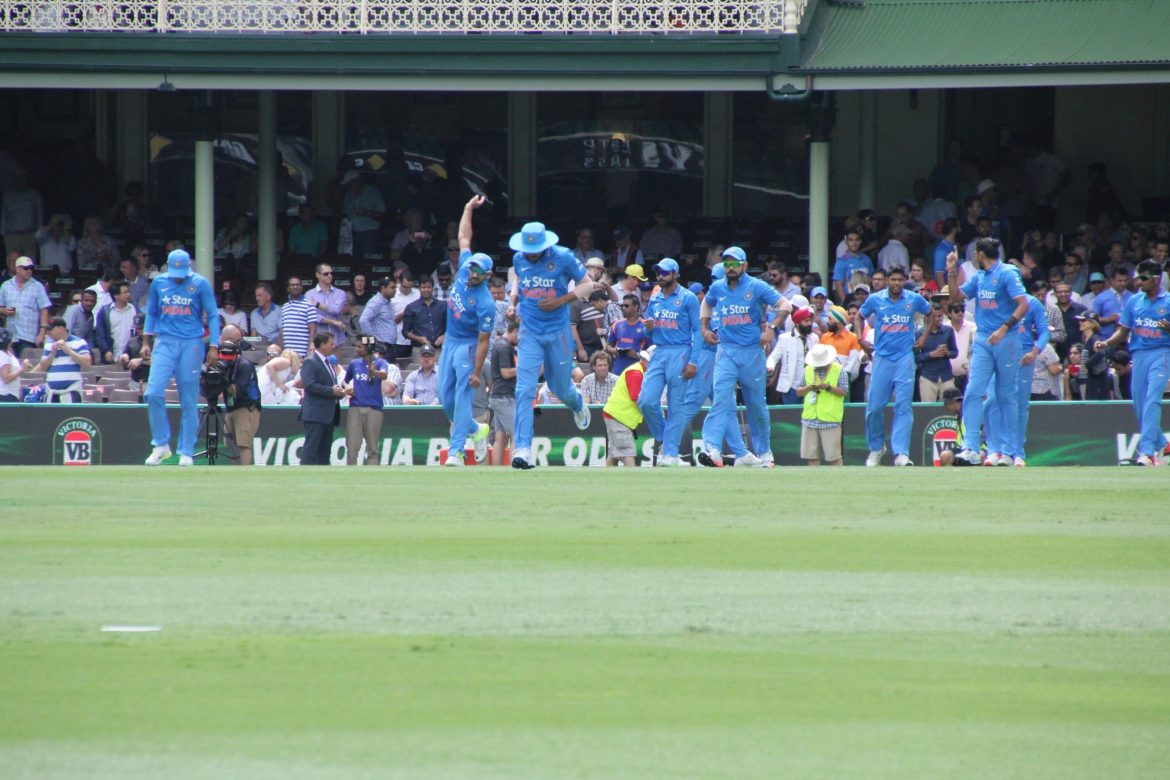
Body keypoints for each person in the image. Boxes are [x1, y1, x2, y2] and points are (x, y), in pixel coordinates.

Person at [506, 221, 595, 469]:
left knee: (560, 387)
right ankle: (523, 449)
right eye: (527, 250)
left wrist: (560, 301)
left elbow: (588, 284)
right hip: (529, 331)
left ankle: (576, 402)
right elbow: (518, 280)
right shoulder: (519, 259)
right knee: (524, 389)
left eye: (534, 251)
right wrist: (513, 303)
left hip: (558, 332)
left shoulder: (563, 257)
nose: (530, 255)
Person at [945, 239, 1029, 466]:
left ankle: (1009, 452)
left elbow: (1023, 304)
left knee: (1005, 395)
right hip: (983, 339)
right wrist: (951, 271)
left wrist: (1004, 328)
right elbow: (955, 298)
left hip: (1006, 339)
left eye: (975, 253)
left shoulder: (1007, 273)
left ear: (979, 253)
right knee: (973, 391)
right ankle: (971, 448)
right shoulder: (980, 277)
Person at [698, 246, 784, 468]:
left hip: (752, 352)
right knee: (721, 399)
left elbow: (785, 305)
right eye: (727, 263)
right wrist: (704, 329)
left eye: (735, 263)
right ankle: (713, 449)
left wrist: (771, 328)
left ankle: (764, 453)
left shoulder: (756, 286)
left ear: (744, 265)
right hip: (726, 350)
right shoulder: (717, 287)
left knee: (756, 405)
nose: (730, 267)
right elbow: (707, 303)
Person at [142, 249, 221, 467]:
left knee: (188, 400)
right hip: (164, 341)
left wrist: (214, 345)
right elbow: (151, 312)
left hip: (191, 343)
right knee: (153, 392)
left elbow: (213, 315)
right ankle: (161, 444)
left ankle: (186, 451)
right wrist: (146, 341)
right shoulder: (158, 283)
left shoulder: (200, 283)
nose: (178, 277)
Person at [438, 195, 497, 467]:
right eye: (472, 269)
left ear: (487, 275)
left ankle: (457, 452)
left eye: (479, 272)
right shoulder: (464, 269)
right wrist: (467, 207)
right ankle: (475, 429)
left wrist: (476, 371)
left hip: (468, 346)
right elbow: (464, 238)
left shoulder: (486, 302)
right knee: (445, 399)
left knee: (462, 397)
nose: (473, 274)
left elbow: (484, 340)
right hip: (450, 341)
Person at [854, 265, 933, 466]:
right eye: (893, 280)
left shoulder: (913, 299)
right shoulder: (876, 299)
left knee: (903, 406)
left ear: (904, 280)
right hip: (882, 357)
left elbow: (930, 313)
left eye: (900, 280)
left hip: (904, 358)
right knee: (874, 407)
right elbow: (859, 316)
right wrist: (860, 339)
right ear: (887, 280)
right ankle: (876, 448)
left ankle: (901, 453)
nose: (897, 283)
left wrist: (924, 337)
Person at [1094, 260, 1170, 465]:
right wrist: (1107, 343)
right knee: (1139, 403)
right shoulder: (1134, 301)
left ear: (1156, 279)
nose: (1139, 282)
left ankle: (1147, 452)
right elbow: (1123, 330)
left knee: (1152, 399)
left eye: (1144, 278)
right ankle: (1163, 443)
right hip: (1138, 354)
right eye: (1138, 278)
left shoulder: (1168, 301)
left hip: (1162, 353)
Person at [637, 257, 702, 467]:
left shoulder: (688, 297)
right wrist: (648, 328)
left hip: (680, 351)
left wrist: (693, 361)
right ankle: (666, 441)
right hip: (659, 351)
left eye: (665, 273)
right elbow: (648, 331)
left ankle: (671, 453)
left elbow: (698, 331)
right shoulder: (655, 298)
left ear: (675, 274)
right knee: (646, 401)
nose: (660, 276)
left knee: (676, 404)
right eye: (658, 272)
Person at [986, 293, 1050, 467]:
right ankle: (995, 450)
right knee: (993, 400)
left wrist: (1035, 351)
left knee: (1020, 403)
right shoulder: (995, 298)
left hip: (1024, 354)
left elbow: (1044, 332)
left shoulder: (1032, 303)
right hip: (999, 351)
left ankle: (1016, 452)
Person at [796, 343, 848, 466]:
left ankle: (839, 477)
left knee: (834, 456)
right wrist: (809, 388)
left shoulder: (840, 370)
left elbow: (844, 391)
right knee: (811, 456)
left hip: (830, 419)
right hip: (810, 418)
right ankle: (814, 477)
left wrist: (828, 387)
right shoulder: (807, 369)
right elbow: (798, 391)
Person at [217, 325, 262, 466]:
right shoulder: (221, 360)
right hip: (230, 408)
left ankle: (245, 474)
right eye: (236, 341)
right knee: (231, 447)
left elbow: (238, 391)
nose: (239, 344)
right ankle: (234, 474)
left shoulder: (244, 365)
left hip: (246, 408)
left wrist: (223, 379)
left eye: (239, 341)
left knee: (243, 445)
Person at [299, 332, 345, 465]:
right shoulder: (310, 361)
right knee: (311, 448)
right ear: (322, 345)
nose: (334, 346)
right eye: (331, 343)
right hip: (315, 413)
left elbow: (329, 385)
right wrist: (331, 390)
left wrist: (339, 392)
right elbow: (309, 385)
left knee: (325, 451)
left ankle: (322, 474)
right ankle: (304, 474)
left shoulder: (328, 362)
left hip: (328, 413)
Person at [343, 334, 389, 466]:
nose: (357, 349)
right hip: (355, 406)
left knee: (372, 446)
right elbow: (344, 381)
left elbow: (384, 375)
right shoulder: (354, 364)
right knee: (352, 445)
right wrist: (347, 387)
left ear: (368, 348)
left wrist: (374, 372)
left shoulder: (380, 362)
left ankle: (372, 471)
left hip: (374, 408)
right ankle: (350, 470)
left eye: (360, 347)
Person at [602, 348, 652, 467]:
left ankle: (604, 477)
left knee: (614, 453)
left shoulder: (637, 370)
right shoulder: (636, 373)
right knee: (627, 452)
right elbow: (636, 397)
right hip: (620, 417)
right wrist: (651, 412)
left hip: (616, 415)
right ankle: (632, 478)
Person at [31, 316, 92, 403]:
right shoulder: (49, 345)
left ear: (61, 328)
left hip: (71, 390)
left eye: (50, 329)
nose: (48, 332)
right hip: (52, 392)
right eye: (47, 330)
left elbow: (87, 363)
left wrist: (69, 351)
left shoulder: (79, 342)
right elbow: (43, 367)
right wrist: (52, 353)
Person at [0, 255, 50, 356]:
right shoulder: (6, 285)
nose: (29, 271)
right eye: (26, 268)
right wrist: (4, 311)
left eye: (31, 268)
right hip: (10, 336)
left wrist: (42, 333)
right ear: (17, 269)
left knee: (26, 362)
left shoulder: (38, 286)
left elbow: (44, 310)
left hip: (29, 336)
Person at [766, 306, 815, 405]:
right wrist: (770, 367)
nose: (809, 324)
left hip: (810, 386)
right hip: (791, 386)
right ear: (797, 323)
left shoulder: (814, 338)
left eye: (810, 321)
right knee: (793, 413)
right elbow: (773, 357)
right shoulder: (785, 339)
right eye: (806, 321)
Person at [489, 320, 519, 467]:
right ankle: (516, 467)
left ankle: (497, 470)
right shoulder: (505, 347)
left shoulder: (499, 345)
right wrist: (523, 367)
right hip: (504, 397)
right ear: (515, 331)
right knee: (516, 434)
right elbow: (506, 373)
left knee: (500, 437)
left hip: (498, 396)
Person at [340, 171, 386, 261]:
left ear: (357, 181)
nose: (348, 186)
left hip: (369, 233)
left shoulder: (373, 192)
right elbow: (345, 212)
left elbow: (383, 215)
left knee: (368, 260)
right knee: (352, 260)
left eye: (349, 184)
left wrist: (367, 213)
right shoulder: (348, 194)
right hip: (351, 233)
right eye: (347, 185)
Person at [94, 280, 137, 365]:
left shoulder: (134, 309)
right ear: (116, 295)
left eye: (128, 292)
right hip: (111, 356)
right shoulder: (105, 311)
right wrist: (106, 350)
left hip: (131, 357)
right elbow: (100, 334)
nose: (128, 294)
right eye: (125, 292)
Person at [306, 262, 349, 347]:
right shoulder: (309, 294)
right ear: (317, 275)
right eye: (326, 274)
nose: (329, 276)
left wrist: (317, 304)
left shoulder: (340, 293)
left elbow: (336, 310)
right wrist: (333, 322)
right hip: (318, 341)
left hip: (337, 341)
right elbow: (313, 316)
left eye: (331, 273)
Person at [607, 293, 649, 376]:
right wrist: (614, 351)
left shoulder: (645, 326)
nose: (623, 308)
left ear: (636, 307)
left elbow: (651, 351)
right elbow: (608, 345)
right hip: (618, 370)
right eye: (622, 306)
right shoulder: (616, 324)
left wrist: (637, 355)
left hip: (637, 370)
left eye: (626, 306)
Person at [279, 276, 319, 357]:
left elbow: (313, 331)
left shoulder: (309, 305)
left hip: (302, 354)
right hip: (287, 354)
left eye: (298, 285)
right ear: (288, 289)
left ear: (302, 288)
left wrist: (309, 353)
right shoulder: (285, 306)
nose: (295, 287)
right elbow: (283, 331)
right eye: (292, 285)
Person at [403, 277, 446, 351]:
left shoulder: (443, 305)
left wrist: (444, 336)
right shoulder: (411, 307)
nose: (426, 290)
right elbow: (405, 332)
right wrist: (419, 339)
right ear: (419, 288)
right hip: (419, 348)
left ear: (433, 288)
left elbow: (451, 327)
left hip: (441, 348)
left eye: (429, 287)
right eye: (423, 287)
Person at [358, 276, 399, 353]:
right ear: (383, 288)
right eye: (392, 288)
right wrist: (372, 342)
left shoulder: (388, 302)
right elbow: (363, 321)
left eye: (395, 287)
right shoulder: (375, 302)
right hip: (380, 347)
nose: (395, 290)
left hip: (390, 346)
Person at [0, 327, 26, 402]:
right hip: (5, 396)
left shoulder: (7, 354)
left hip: (10, 395)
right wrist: (22, 369)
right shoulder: (2, 355)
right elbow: (6, 378)